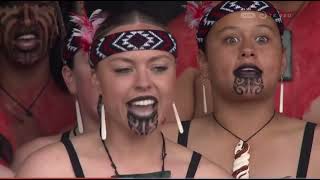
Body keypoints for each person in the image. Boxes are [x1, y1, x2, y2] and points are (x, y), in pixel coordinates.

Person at [15, 7, 230, 178]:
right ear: (96, 80)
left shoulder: (208, 174)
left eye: (158, 68)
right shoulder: (47, 170)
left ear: (174, 75)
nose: (143, 82)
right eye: (124, 69)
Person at [163, 1, 320, 178]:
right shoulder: (161, 144)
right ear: (203, 61)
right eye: (231, 39)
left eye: (262, 39)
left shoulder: (317, 148)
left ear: (282, 60)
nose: (247, 49)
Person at [10, 8, 105, 172]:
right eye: (94, 62)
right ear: (70, 78)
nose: (109, 76)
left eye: (123, 67)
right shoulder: (34, 160)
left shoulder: (164, 150)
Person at [0, 1, 75, 148]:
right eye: (11, 5)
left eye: (41, 4)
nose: (27, 19)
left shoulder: (84, 102)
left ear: (59, 17)